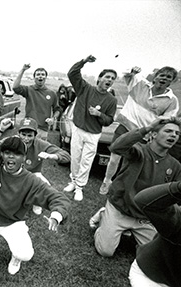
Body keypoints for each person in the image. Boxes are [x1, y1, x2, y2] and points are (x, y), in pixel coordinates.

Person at [0, 83, 70, 275]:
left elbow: (59, 198)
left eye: (16, 154)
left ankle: (15, 255)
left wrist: (56, 215)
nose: (11, 157)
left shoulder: (31, 180)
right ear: (2, 154)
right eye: (7, 153)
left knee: (26, 254)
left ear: (23, 157)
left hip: (12, 222)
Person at [90, 117, 181, 258]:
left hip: (145, 219)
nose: (173, 135)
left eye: (177, 133)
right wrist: (147, 128)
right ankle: (105, 216)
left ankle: (126, 229)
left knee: (152, 255)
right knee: (105, 251)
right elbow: (116, 147)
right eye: (168, 131)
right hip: (120, 210)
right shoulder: (138, 151)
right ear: (154, 134)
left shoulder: (175, 166)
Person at [99, 66, 179, 195]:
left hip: (143, 135)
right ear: (155, 76)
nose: (164, 78)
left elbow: (167, 120)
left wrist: (154, 130)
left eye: (168, 77)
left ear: (172, 81)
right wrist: (132, 72)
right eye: (162, 75)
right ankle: (107, 181)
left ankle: (121, 188)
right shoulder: (140, 84)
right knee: (114, 158)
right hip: (125, 127)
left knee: (130, 163)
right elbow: (125, 75)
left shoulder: (172, 100)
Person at [63, 55, 118, 201]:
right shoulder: (85, 88)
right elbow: (72, 74)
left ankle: (79, 187)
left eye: (113, 78)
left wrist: (99, 114)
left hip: (93, 134)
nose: (110, 80)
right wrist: (84, 61)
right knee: (75, 158)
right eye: (107, 77)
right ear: (99, 79)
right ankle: (73, 182)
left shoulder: (112, 100)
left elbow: (109, 120)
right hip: (78, 129)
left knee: (86, 161)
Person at [0, 117, 71, 215]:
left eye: (29, 135)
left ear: (35, 135)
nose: (26, 139)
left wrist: (51, 155)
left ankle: (37, 203)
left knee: (44, 184)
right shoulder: (12, 141)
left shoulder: (40, 144)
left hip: (32, 174)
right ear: (18, 133)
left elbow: (66, 156)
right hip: (12, 173)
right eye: (23, 134)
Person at [128, 182, 181, 287]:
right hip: (151, 277)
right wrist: (178, 188)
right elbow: (143, 201)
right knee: (106, 248)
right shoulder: (178, 223)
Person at [13, 64, 62, 140]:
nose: (40, 76)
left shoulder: (52, 93)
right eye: (38, 74)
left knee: (40, 150)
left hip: (43, 128)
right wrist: (23, 70)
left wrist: (53, 118)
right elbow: (15, 87)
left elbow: (57, 109)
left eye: (43, 74)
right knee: (25, 148)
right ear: (34, 77)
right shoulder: (29, 89)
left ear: (46, 77)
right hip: (28, 126)